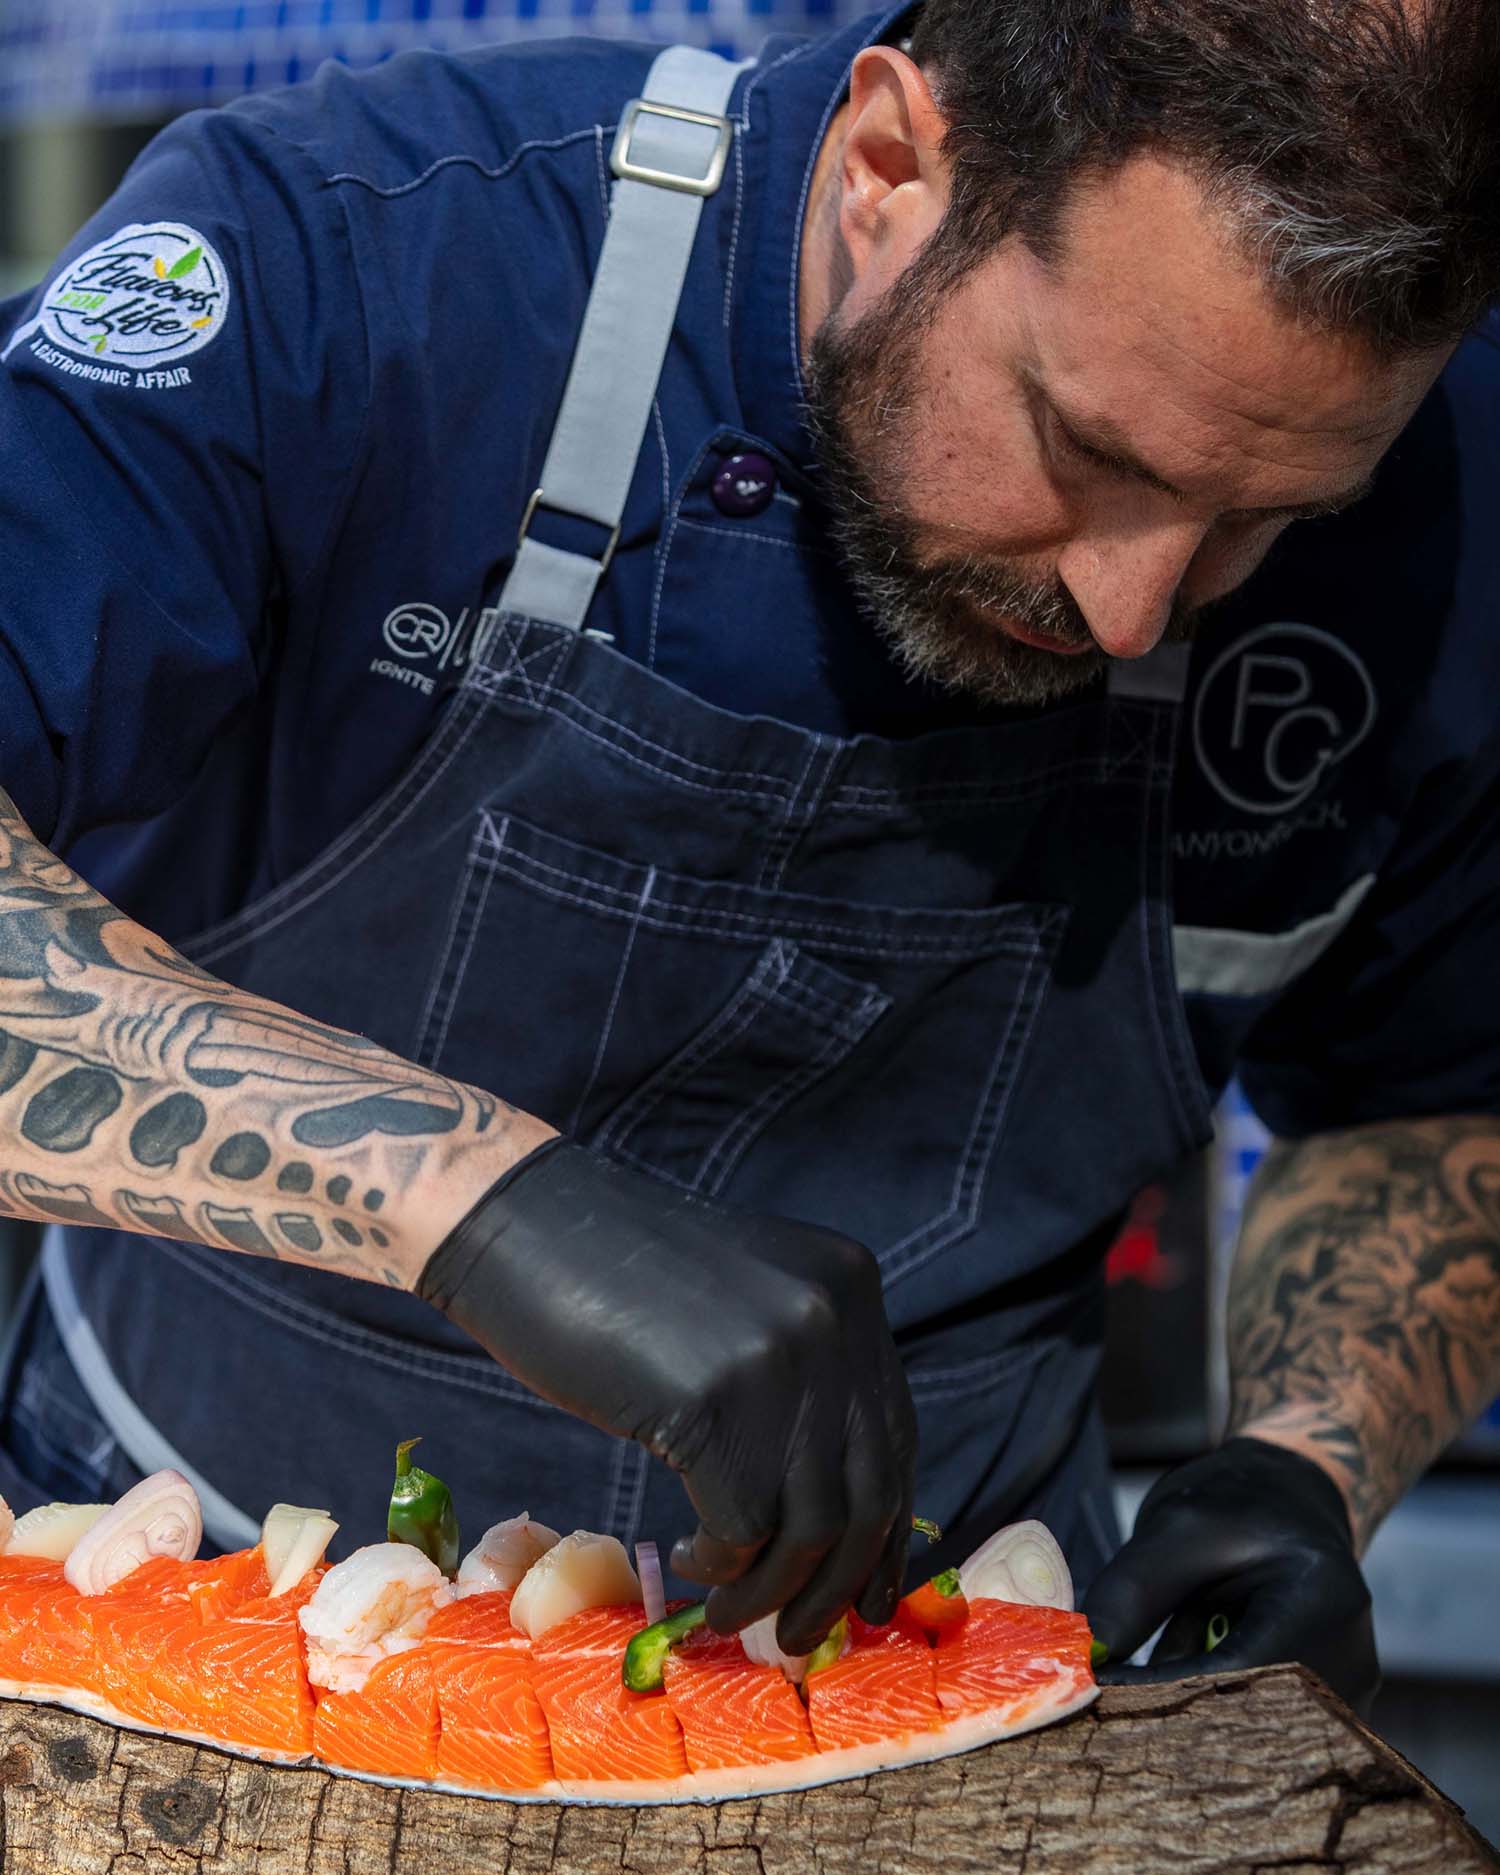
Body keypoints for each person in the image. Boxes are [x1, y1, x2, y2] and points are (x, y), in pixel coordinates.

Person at [0, 0, 1495, 1712]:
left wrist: (1307, 1463)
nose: (1132, 608)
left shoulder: (1451, 503)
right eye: (1089, 452)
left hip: (932, 1684)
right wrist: (481, 1201)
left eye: (1263, 522)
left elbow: (1437, 1090)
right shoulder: (352, 266)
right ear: (888, 168)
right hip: (199, 1593)